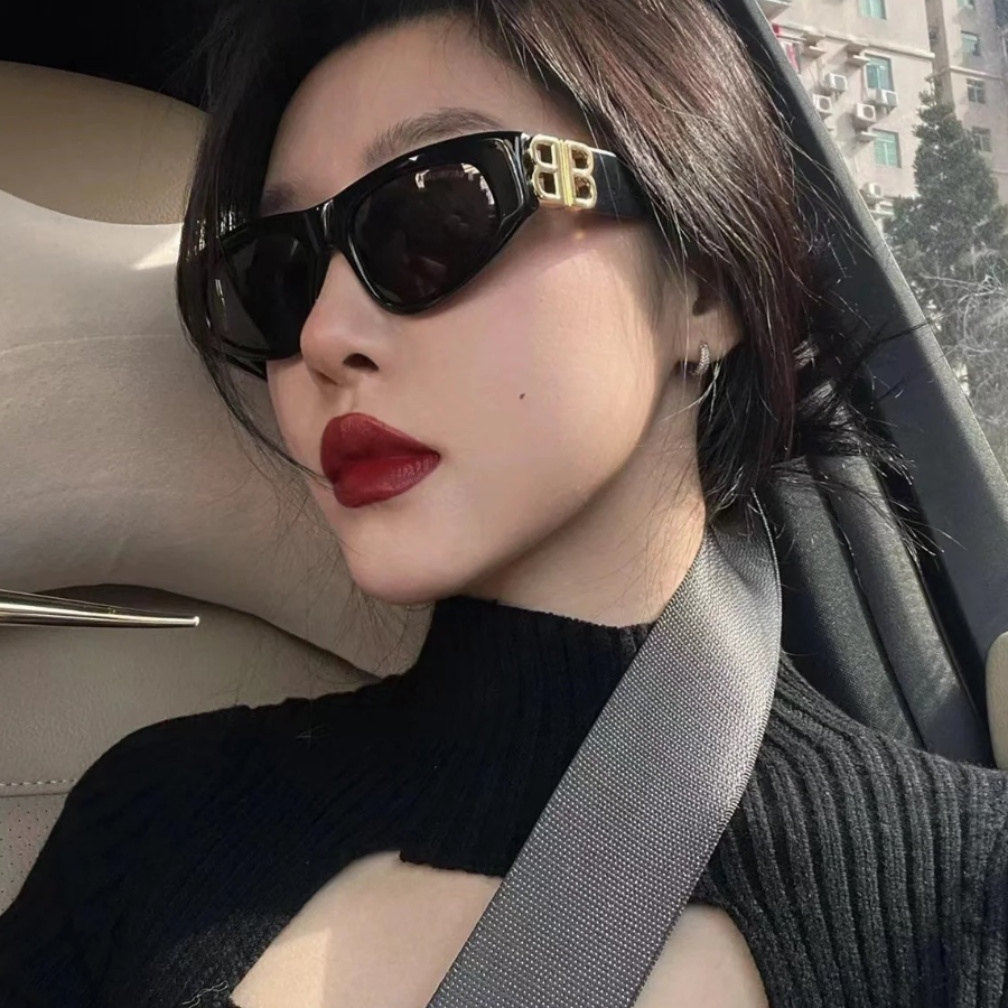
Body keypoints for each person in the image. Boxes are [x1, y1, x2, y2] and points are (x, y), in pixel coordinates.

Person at [2, 1, 1007, 1005]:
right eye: (281, 276)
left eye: (435, 215)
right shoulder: (151, 823)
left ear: (703, 283)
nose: (321, 335)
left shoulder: (970, 887)